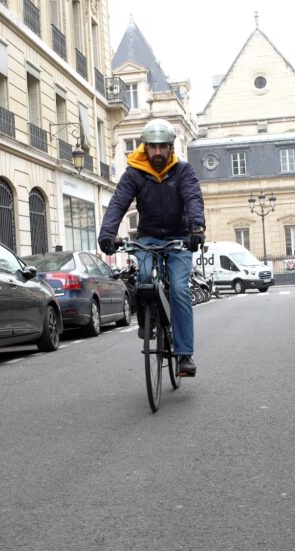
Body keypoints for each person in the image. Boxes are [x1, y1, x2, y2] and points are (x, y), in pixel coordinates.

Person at [98, 119, 205, 377]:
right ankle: (149, 318)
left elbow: (193, 198)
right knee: (145, 279)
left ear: (170, 147)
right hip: (148, 238)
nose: (157, 153)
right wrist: (108, 233)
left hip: (179, 238)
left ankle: (184, 356)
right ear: (145, 148)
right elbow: (118, 203)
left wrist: (196, 229)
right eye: (152, 147)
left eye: (162, 147)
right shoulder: (134, 173)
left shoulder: (183, 171)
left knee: (179, 289)